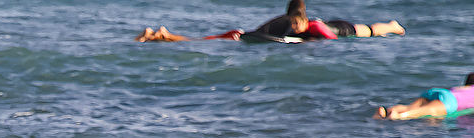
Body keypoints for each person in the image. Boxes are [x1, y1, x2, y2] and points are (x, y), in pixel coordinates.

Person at [135, 0, 403, 42]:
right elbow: (258, 33)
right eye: (292, 24)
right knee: (223, 38)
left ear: (304, 21)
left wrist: (308, 41)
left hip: (340, 29)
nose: (294, 27)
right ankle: (164, 36)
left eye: (297, 24)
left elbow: (331, 40)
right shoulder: (282, 22)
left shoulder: (316, 27)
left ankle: (393, 25)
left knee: (369, 30)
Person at [374, 72, 474, 120]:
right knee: (420, 112)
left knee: (409, 106)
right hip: (450, 101)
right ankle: (397, 116)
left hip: (440, 92)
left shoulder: (461, 88)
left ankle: (386, 111)